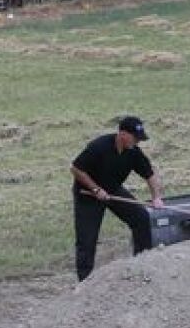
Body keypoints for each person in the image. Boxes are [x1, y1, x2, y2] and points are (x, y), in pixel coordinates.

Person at [70, 116, 165, 281]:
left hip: (112, 190)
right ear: (122, 134)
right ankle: (84, 282)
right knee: (87, 240)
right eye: (135, 138)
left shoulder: (133, 152)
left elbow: (150, 175)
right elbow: (76, 169)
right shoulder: (99, 147)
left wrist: (156, 197)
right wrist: (95, 188)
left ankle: (142, 264)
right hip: (88, 194)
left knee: (141, 217)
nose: (137, 142)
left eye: (139, 139)